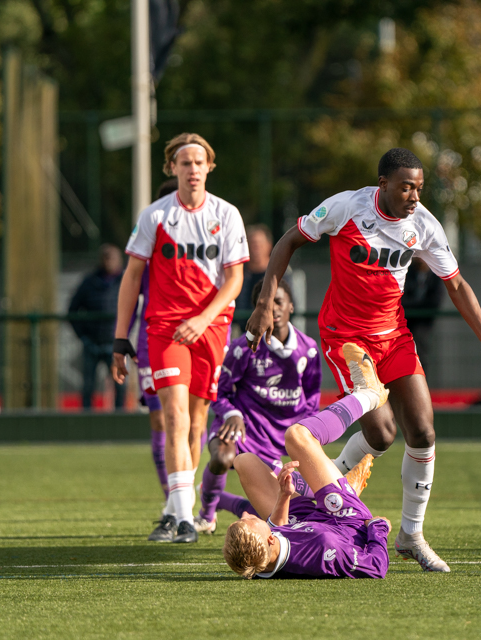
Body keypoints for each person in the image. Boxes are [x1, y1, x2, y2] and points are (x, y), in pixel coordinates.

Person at [246, 147, 481, 572]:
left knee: (423, 432)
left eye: (420, 187)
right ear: (383, 185)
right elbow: (289, 241)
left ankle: (411, 534)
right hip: (346, 338)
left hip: (394, 336)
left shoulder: (424, 224)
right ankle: (321, 478)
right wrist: (264, 302)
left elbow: (457, 283)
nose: (414, 195)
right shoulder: (346, 207)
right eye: (407, 186)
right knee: (382, 431)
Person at [113, 133, 248, 543]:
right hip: (166, 327)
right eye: (184, 163)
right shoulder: (155, 216)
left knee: (197, 421)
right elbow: (132, 276)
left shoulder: (226, 214)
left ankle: (174, 513)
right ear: (172, 169)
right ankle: (185, 518)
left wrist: (204, 318)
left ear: (210, 168)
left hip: (211, 328)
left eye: (199, 162)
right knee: (173, 415)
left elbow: (235, 279)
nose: (192, 170)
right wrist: (121, 339)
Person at [222, 342, 390, 579]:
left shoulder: (261, 558)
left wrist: (284, 495)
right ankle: (369, 395)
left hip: (300, 524)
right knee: (297, 436)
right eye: (249, 522)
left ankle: (323, 482)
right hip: (341, 520)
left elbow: (278, 529)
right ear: (270, 538)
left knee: (244, 462)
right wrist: (378, 528)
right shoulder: (324, 546)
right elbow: (375, 568)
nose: (246, 515)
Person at [195, 278, 321, 534]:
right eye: (264, 304)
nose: (272, 309)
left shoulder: (309, 350)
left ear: (291, 306)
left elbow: (311, 404)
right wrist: (231, 413)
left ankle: (221, 499)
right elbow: (218, 391)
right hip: (244, 429)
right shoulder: (243, 348)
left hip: (280, 439)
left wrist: (306, 441)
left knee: (286, 505)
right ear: (256, 312)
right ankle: (205, 517)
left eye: (278, 301)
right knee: (221, 457)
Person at [137, 177, 178, 509]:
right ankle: (172, 500)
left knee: (188, 417)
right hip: (152, 340)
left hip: (196, 338)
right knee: (161, 419)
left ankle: (186, 495)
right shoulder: (148, 244)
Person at [70, 244, 125, 410]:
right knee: (88, 385)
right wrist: (83, 336)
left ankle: (120, 419)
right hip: (92, 342)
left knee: (120, 384)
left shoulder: (125, 280)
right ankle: (87, 420)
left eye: (112, 257)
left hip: (115, 342)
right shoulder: (89, 282)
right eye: (105, 257)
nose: (108, 261)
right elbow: (72, 310)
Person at [402, 257, 444, 378]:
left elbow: (434, 302)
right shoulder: (407, 273)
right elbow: (401, 299)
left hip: (424, 326)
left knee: (420, 355)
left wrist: (413, 307)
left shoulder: (435, 277)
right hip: (404, 324)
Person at [236, 224, 273, 312]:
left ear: (269, 245)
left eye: (260, 244)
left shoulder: (279, 273)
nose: (256, 249)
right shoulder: (237, 274)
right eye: (252, 244)